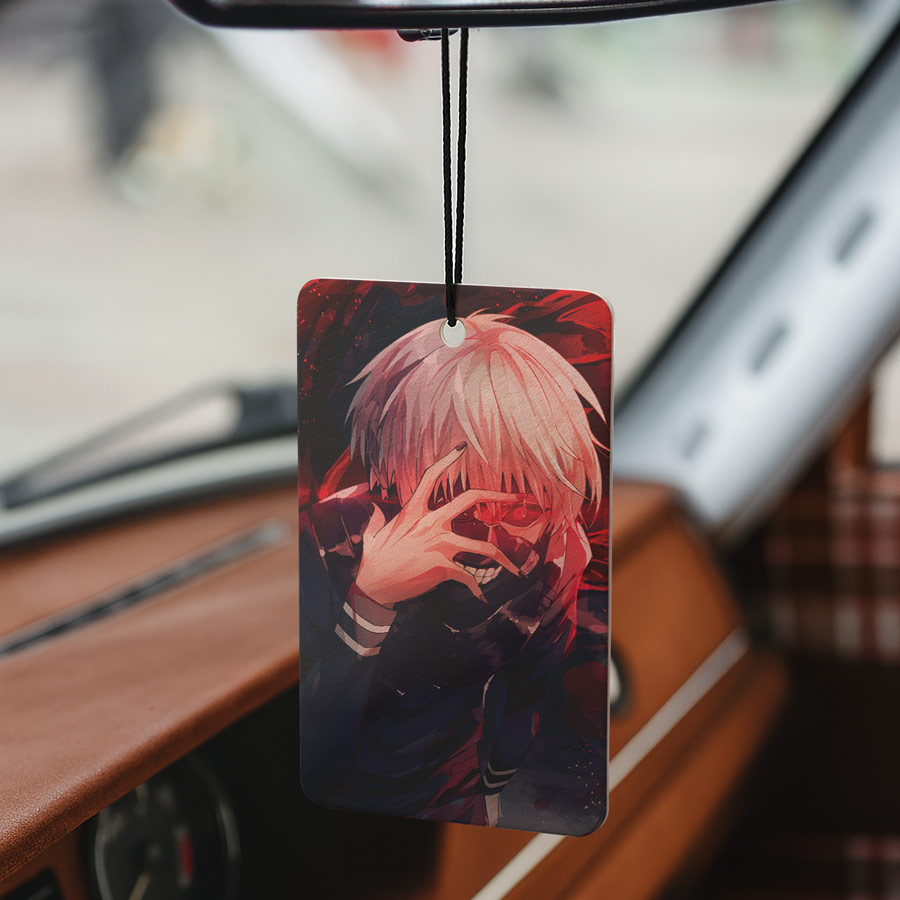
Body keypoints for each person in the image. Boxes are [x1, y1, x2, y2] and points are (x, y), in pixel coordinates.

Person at [300, 312, 606, 828]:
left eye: (521, 508)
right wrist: (370, 600)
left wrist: (491, 791)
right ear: (394, 479)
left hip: (456, 797)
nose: (485, 541)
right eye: (452, 498)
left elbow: (529, 686)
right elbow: (314, 741)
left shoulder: (558, 553)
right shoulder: (330, 540)